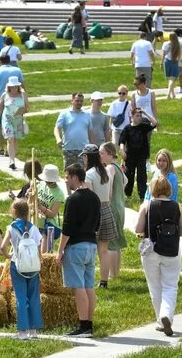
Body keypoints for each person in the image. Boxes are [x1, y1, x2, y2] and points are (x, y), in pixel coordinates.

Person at [135, 175, 182, 335]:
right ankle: (166, 315)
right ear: (168, 189)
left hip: (151, 250)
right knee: (170, 286)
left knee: (155, 286)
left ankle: (160, 319)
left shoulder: (147, 205)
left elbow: (138, 228)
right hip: (171, 250)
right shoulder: (176, 206)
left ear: (153, 189)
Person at [57, 164, 101, 337]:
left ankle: (83, 326)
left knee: (79, 287)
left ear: (75, 177)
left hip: (76, 246)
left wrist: (60, 250)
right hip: (91, 244)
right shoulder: (95, 198)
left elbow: (67, 228)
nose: (66, 180)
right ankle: (89, 324)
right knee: (89, 286)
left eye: (67, 177)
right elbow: (97, 223)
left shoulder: (73, 199)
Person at [0, 199, 43, 340]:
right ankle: (34, 330)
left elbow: (2, 247)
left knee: (21, 298)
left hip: (18, 265)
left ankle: (22, 332)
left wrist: (8, 255)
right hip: (32, 266)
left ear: (14, 211)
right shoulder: (33, 228)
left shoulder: (11, 227)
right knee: (34, 297)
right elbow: (38, 248)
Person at [81, 144, 119, 288]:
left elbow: (89, 197)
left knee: (90, 249)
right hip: (106, 209)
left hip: (94, 213)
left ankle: (87, 279)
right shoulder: (106, 171)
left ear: (87, 157)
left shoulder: (89, 174)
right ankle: (104, 281)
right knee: (104, 250)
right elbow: (109, 195)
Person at [99, 142, 127, 277]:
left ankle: (112, 274)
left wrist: (108, 198)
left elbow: (108, 181)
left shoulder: (110, 167)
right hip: (120, 207)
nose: (100, 155)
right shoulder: (117, 167)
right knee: (117, 242)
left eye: (102, 153)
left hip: (113, 207)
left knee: (111, 244)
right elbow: (125, 181)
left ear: (110, 154)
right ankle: (115, 273)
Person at [119, 107, 158, 199]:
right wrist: (122, 150)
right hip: (130, 156)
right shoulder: (127, 128)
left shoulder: (143, 127)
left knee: (141, 176)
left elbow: (155, 123)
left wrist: (145, 112)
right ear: (131, 117)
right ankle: (127, 194)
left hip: (141, 156)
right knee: (129, 175)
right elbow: (122, 141)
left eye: (140, 116)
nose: (139, 117)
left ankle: (142, 195)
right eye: (137, 116)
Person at [0, 76, 29, 170]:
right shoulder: (5, 95)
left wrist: (22, 111)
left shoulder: (23, 94)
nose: (14, 89)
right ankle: (11, 161)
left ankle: (13, 157)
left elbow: (27, 107)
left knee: (15, 140)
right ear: (8, 87)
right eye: (12, 87)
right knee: (10, 138)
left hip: (18, 119)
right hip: (7, 119)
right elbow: (0, 108)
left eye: (15, 87)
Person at [0, 55, 25, 154]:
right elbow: (22, 85)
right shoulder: (17, 70)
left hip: (2, 100)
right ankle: (9, 148)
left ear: (0, 61)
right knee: (14, 124)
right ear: (9, 60)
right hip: (16, 102)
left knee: (0, 124)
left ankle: (1, 147)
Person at [55, 93, 93, 169]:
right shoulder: (64, 113)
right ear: (72, 101)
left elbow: (90, 131)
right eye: (77, 101)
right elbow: (57, 128)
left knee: (82, 173)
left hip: (83, 149)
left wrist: (93, 146)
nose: (79, 103)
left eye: (81, 101)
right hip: (69, 149)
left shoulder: (87, 114)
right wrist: (58, 139)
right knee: (69, 173)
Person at [161, 32, 181, 98]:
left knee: (170, 79)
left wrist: (161, 62)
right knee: (172, 79)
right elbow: (179, 55)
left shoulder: (165, 43)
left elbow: (163, 54)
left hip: (167, 61)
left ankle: (172, 94)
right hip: (175, 62)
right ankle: (169, 94)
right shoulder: (178, 44)